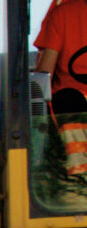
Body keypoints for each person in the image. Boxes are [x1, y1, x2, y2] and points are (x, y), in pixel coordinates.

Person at [35, 0, 87, 176]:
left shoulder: (62, 14)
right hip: (72, 105)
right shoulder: (63, 15)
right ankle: (80, 171)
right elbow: (43, 75)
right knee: (69, 100)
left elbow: (44, 72)